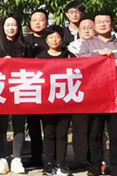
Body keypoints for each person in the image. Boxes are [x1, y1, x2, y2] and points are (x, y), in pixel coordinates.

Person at [78, 12, 117, 176]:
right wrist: (98, 54)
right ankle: (95, 166)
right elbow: (81, 62)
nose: (102, 24)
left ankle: (116, 166)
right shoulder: (87, 44)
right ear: (94, 25)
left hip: (115, 96)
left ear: (112, 24)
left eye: (106, 21)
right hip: (95, 97)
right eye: (99, 22)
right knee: (95, 134)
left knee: (115, 134)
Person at [0, 15, 29, 175]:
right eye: (7, 25)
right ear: (2, 27)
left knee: (19, 124)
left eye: (14, 25)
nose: (10, 28)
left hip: (20, 89)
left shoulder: (25, 46)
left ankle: (17, 159)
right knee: (0, 125)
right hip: (0, 90)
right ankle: (1, 159)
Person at [36, 26, 73, 176]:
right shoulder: (40, 57)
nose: (54, 40)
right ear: (46, 40)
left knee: (62, 134)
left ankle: (61, 164)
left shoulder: (68, 55)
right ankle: (49, 164)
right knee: (49, 133)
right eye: (50, 37)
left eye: (57, 37)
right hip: (47, 102)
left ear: (62, 39)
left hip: (65, 101)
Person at [67, 18, 96, 172]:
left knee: (96, 127)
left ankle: (95, 158)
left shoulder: (103, 46)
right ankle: (80, 159)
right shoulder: (72, 48)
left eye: (89, 27)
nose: (86, 30)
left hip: (97, 92)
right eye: (83, 28)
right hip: (78, 92)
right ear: (78, 31)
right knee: (79, 127)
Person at [24, 9, 50, 167]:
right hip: (31, 87)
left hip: (49, 88)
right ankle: (36, 157)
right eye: (34, 20)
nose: (38, 23)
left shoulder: (52, 38)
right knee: (33, 125)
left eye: (41, 20)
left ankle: (51, 157)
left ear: (47, 21)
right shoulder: (25, 41)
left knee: (49, 125)